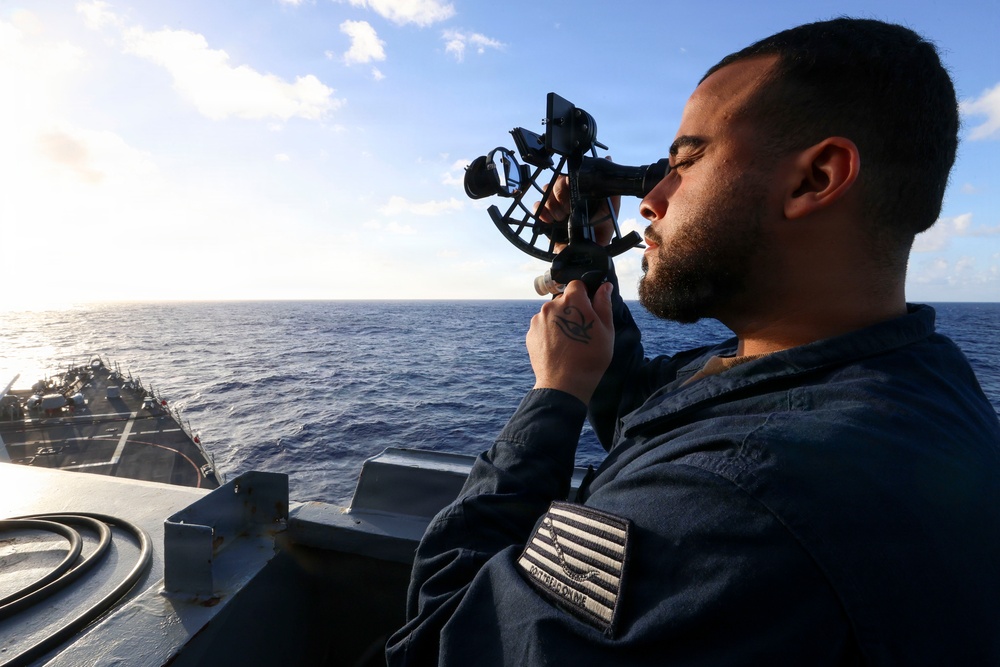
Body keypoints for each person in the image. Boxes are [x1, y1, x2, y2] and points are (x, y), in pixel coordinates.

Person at [386, 18, 1000, 665]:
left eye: (684, 162)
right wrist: (582, 248)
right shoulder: (902, 377)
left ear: (817, 178)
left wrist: (554, 394)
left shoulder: (733, 506)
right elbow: (646, 409)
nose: (651, 198)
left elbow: (442, 643)